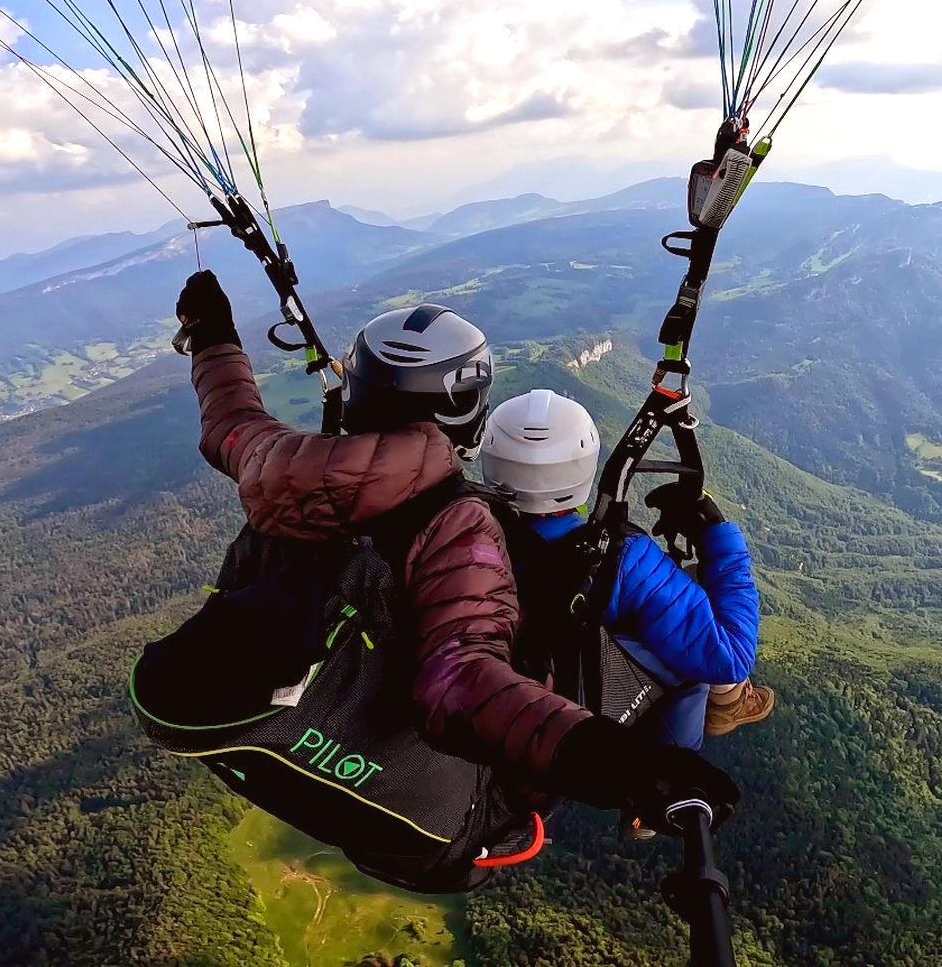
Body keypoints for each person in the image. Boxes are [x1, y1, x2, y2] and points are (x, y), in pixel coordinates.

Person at [174, 271, 738, 833]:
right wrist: (623, 766)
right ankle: (724, 707)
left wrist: (211, 334)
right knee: (690, 661)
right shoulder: (459, 525)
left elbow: (230, 422)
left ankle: (727, 700)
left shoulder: (275, 460)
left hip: (287, 697)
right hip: (469, 786)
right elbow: (460, 679)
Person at [478, 388, 776, 756]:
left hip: (510, 705)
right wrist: (717, 534)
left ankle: (724, 704)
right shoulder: (621, 559)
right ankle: (680, 759)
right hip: (592, 716)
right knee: (700, 619)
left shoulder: (467, 538)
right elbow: (730, 656)